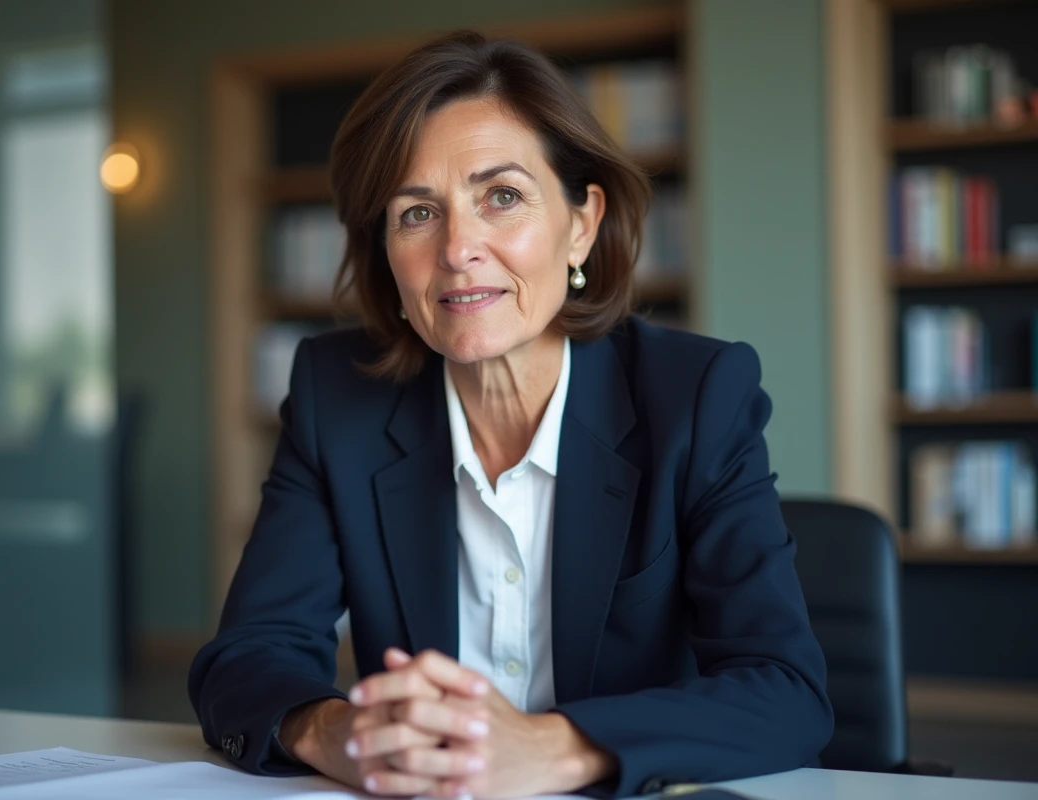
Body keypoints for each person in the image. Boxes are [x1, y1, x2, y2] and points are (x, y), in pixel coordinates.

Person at [189, 30, 833, 799]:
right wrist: (338, 731)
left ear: (582, 223)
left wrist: (552, 749)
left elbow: (786, 691)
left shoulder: (698, 396)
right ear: (386, 253)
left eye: (502, 197)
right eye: (417, 213)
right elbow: (248, 656)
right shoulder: (338, 398)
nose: (460, 248)